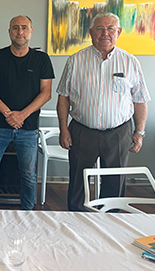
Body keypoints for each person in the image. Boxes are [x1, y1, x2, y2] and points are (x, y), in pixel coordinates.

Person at [57, 12, 150, 211]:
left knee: (115, 184)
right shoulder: (75, 61)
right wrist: (63, 129)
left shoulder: (130, 62)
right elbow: (63, 97)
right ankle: (75, 222)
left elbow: (140, 100)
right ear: (91, 32)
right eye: (99, 28)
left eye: (110, 29)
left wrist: (139, 132)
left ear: (119, 32)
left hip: (118, 133)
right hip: (82, 131)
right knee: (78, 183)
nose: (105, 33)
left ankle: (110, 223)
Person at [0, 15, 54, 210]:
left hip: (28, 128)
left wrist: (22, 115)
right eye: (15, 28)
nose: (20, 32)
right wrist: (8, 114)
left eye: (24, 28)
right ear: (9, 31)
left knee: (28, 173)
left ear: (31, 31)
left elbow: (46, 93)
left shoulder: (42, 59)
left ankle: (27, 213)